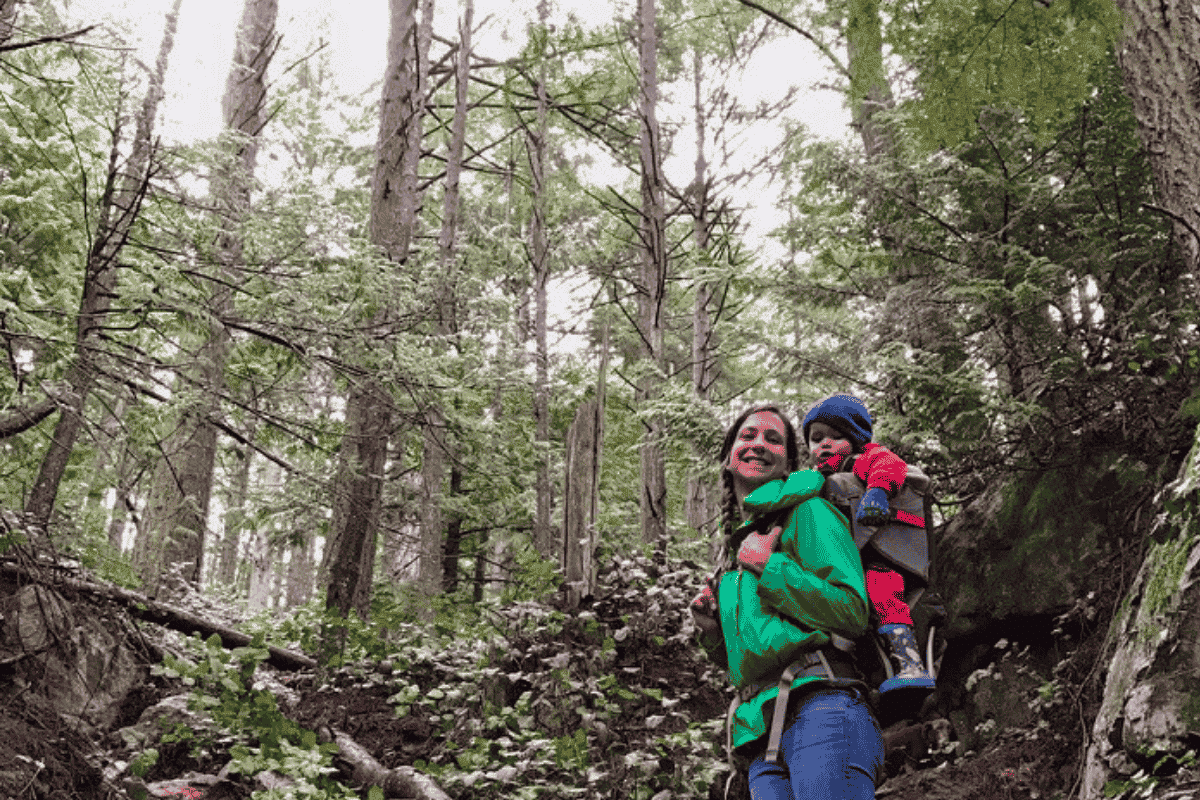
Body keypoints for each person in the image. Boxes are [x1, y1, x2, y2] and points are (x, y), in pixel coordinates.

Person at [691, 404, 883, 799]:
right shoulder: (737, 547)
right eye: (747, 436)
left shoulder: (809, 512)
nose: (758, 444)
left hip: (823, 708)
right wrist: (712, 633)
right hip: (761, 736)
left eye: (772, 439)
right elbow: (758, 651)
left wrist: (769, 566)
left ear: (788, 464)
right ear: (728, 460)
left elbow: (851, 611)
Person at [801, 393, 936, 700]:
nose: (824, 444)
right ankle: (873, 677)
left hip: (881, 559)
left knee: (885, 595)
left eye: (836, 437)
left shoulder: (862, 460)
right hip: (848, 569)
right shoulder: (816, 481)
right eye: (816, 438)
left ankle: (909, 662)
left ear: (856, 439)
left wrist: (877, 491)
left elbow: (889, 465)